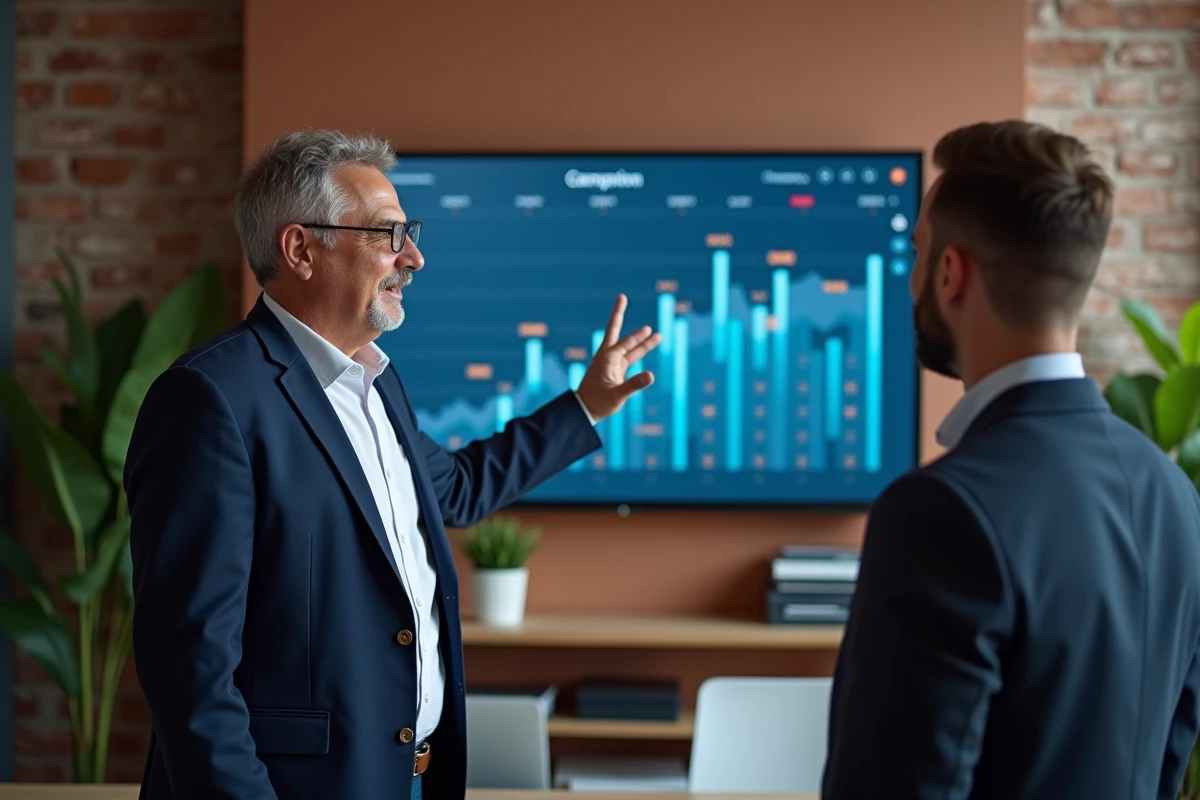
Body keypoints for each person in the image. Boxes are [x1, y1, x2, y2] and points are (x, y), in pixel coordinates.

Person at [124, 129, 662, 800]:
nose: (414, 257)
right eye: (386, 235)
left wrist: (583, 406)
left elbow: (457, 490)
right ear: (301, 249)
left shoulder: (376, 383)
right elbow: (191, 669)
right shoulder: (210, 399)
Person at [821, 120, 1200, 799]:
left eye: (915, 255)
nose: (909, 282)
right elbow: (1168, 760)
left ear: (950, 272)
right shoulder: (1173, 493)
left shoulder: (940, 511)